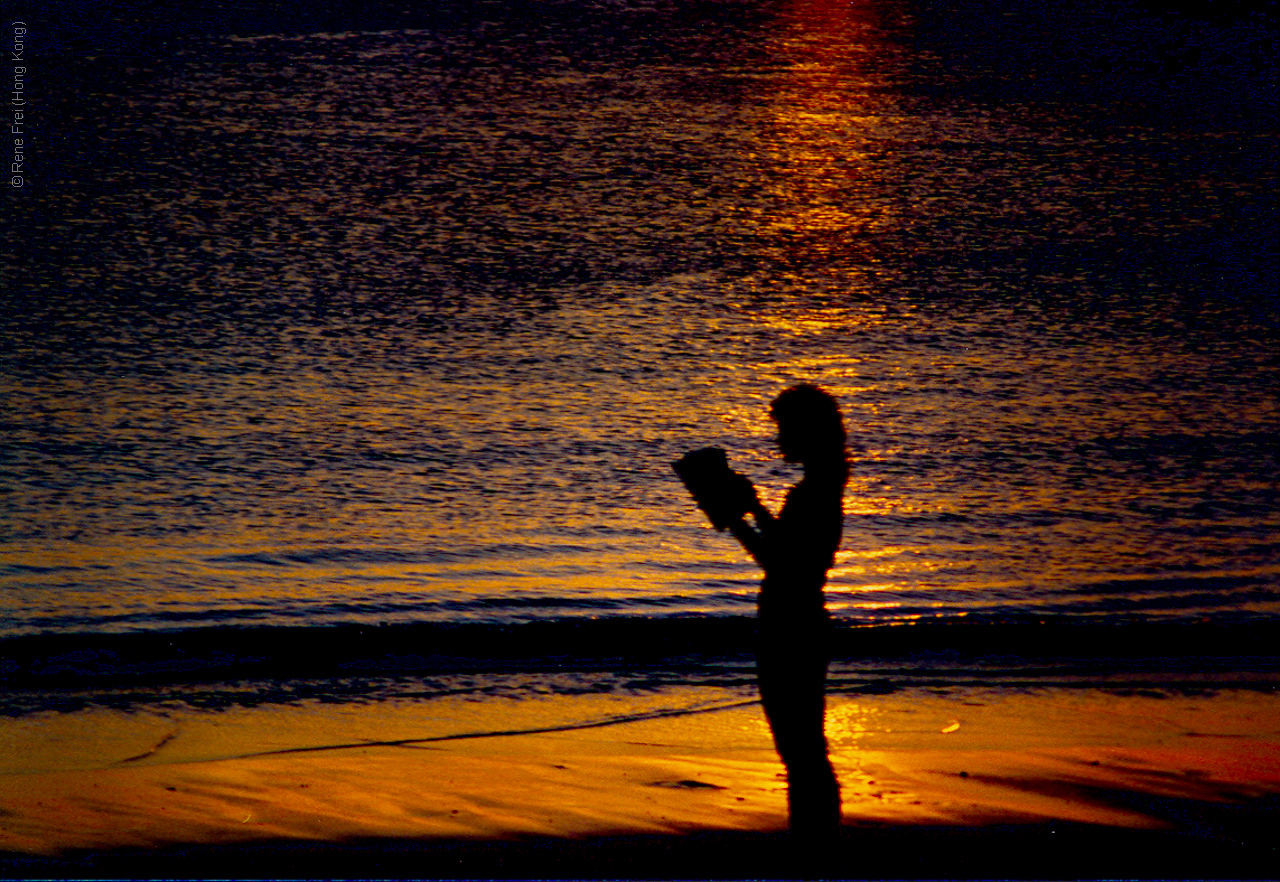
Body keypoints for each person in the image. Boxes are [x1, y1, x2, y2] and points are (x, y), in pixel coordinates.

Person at [725, 384, 846, 843]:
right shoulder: (821, 488)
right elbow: (788, 555)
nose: (779, 440)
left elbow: (781, 563)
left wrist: (739, 517)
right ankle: (815, 839)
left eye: (784, 430)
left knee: (799, 748)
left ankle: (814, 843)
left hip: (789, 624)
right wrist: (751, 508)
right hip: (800, 619)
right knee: (803, 747)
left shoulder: (814, 494)